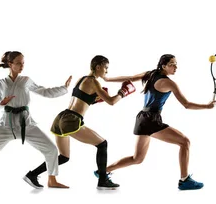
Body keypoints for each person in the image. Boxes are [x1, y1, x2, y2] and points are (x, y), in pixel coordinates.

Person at [98, 54, 216, 190]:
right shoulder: (169, 83)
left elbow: (129, 78)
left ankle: (102, 171)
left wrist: (107, 79)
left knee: (137, 159)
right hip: (151, 120)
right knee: (185, 142)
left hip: (142, 118)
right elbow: (187, 104)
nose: (175, 67)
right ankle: (184, 180)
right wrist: (207, 106)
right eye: (172, 64)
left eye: (176, 64)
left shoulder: (150, 74)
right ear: (163, 66)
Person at [26, 55, 136, 190]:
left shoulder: (82, 79)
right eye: (106, 68)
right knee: (102, 144)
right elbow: (112, 101)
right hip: (71, 120)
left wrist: (93, 100)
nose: (107, 71)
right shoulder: (94, 82)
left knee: (64, 157)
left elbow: (81, 99)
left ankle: (32, 174)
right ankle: (102, 180)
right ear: (98, 67)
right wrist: (123, 92)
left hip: (60, 118)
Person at [0, 51, 72, 190]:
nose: (22, 66)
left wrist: (64, 88)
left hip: (26, 124)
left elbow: (44, 91)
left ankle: (52, 180)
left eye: (23, 63)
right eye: (18, 63)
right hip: (6, 124)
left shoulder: (26, 80)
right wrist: (2, 102)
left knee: (51, 149)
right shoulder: (1, 83)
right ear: (10, 64)